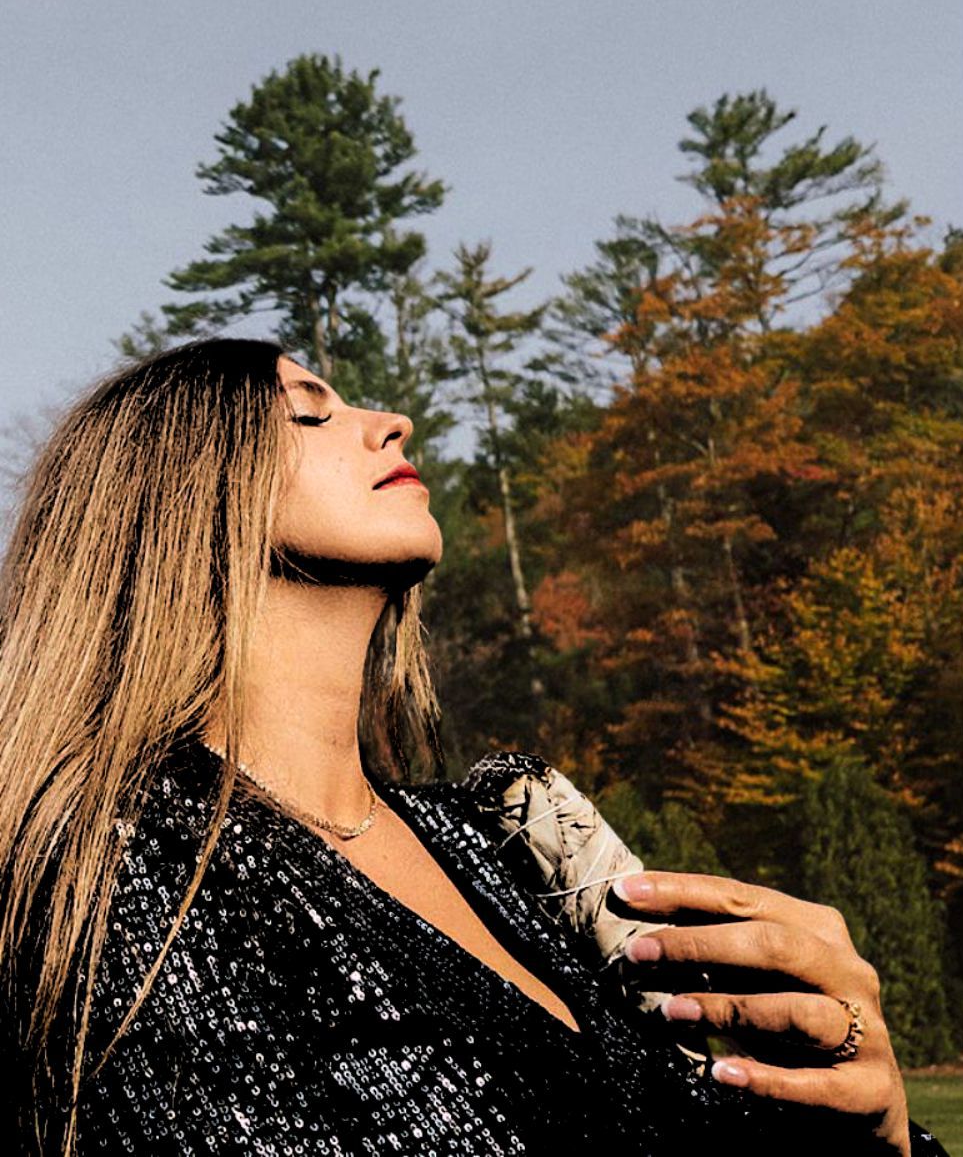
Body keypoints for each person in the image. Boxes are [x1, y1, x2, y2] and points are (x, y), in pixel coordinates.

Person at [0, 337, 947, 1156]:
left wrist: (877, 1125)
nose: (393, 420)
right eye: (305, 413)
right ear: (183, 493)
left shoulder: (516, 840)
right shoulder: (122, 874)